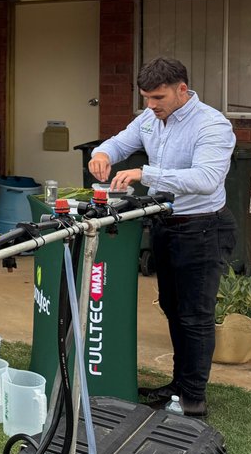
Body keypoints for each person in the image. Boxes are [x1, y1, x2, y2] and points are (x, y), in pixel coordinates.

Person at [89, 57, 235, 418]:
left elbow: (205, 179)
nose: (150, 106)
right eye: (146, 98)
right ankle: (178, 384)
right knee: (172, 308)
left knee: (195, 315)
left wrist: (146, 173)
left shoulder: (213, 125)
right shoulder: (149, 118)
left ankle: (193, 400)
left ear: (182, 90)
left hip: (204, 226)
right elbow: (117, 142)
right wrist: (102, 155)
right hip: (165, 223)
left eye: (158, 98)